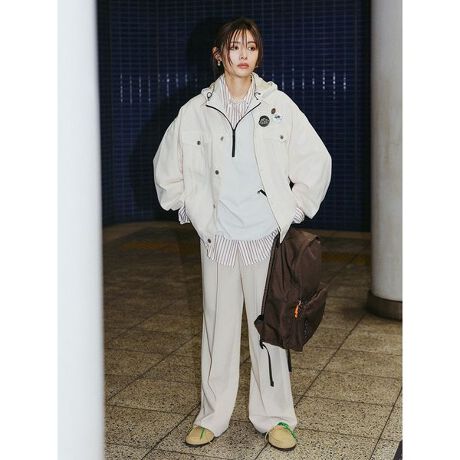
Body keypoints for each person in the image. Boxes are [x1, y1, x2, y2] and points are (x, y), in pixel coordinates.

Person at [153, 17, 332, 452]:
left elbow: (316, 161)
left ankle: (277, 417)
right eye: (235, 47)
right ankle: (211, 416)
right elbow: (166, 169)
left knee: (270, 329)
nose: (244, 55)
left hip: (264, 239)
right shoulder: (195, 112)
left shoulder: (277, 105)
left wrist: (289, 211)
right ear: (219, 55)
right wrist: (193, 213)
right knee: (217, 329)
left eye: (251, 46)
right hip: (218, 238)